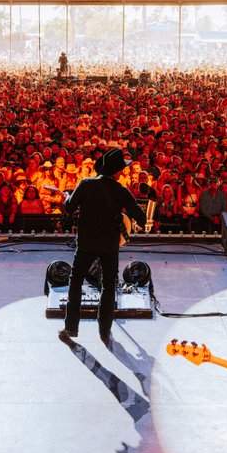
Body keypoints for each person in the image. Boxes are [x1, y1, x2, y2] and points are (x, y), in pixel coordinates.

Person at [58, 148, 147, 349]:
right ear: (118, 172)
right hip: (109, 244)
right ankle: (104, 329)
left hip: (86, 243)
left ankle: (71, 327)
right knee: (108, 283)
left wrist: (66, 198)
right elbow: (141, 218)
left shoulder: (85, 184)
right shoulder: (121, 191)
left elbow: (69, 208)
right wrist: (123, 215)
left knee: (76, 281)